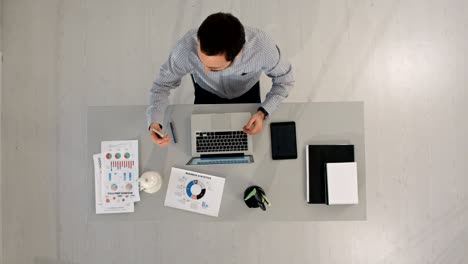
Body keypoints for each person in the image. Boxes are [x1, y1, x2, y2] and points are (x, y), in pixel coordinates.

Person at [147, 12, 294, 146]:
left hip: (248, 93)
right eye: (201, 61)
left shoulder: (262, 48)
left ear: (238, 53)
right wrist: (155, 121)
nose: (204, 69)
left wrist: (263, 112)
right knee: (204, 144)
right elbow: (161, 86)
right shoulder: (185, 49)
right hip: (206, 93)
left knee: (249, 144)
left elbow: (285, 80)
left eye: (213, 68)